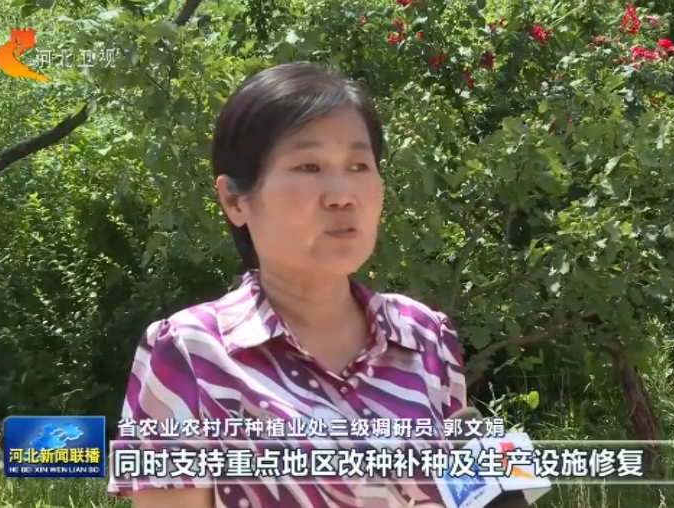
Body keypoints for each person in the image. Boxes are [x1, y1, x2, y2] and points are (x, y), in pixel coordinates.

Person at [108, 62, 468, 508]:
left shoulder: (425, 335)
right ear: (234, 199)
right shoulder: (188, 351)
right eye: (309, 166)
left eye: (359, 165)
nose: (342, 195)